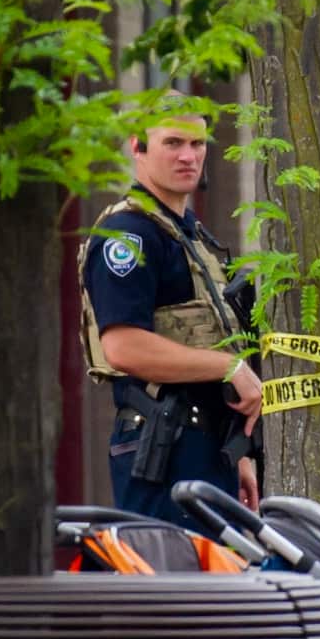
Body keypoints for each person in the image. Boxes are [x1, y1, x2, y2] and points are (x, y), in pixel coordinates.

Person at [78, 98, 263, 530]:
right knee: (172, 571)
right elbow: (123, 347)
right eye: (173, 143)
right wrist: (229, 367)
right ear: (137, 147)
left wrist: (237, 455)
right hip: (163, 451)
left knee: (219, 573)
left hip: (211, 449)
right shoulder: (128, 236)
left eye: (197, 144)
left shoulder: (191, 235)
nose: (188, 156)